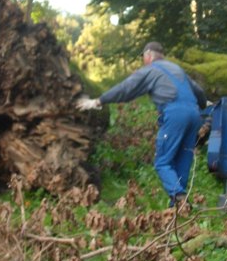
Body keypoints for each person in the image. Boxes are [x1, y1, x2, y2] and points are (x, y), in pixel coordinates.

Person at [76, 42, 207, 207]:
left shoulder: (150, 70)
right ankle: (179, 211)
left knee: (163, 162)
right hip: (194, 114)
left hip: (176, 114)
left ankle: (179, 199)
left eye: (144, 57)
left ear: (149, 55)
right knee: (182, 160)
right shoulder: (177, 69)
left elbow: (126, 88)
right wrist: (201, 106)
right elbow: (199, 92)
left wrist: (98, 101)